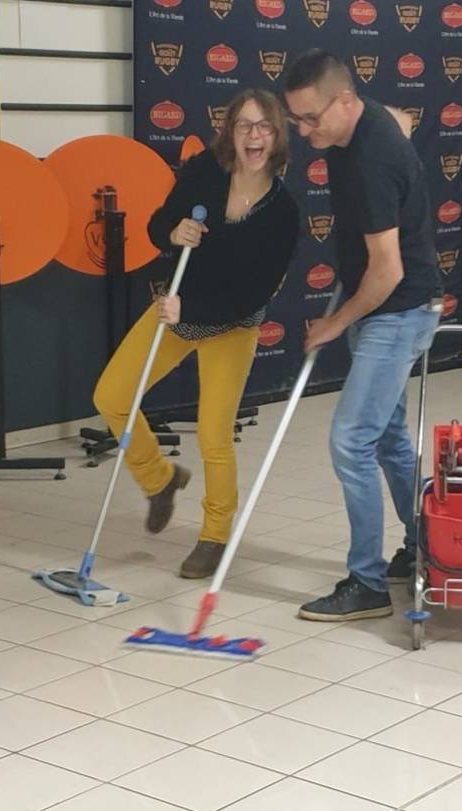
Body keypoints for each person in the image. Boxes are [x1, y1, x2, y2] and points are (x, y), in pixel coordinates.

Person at [92, 88, 300, 578]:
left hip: (231, 324)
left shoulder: (283, 212)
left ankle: (214, 536)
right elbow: (158, 223)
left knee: (213, 435)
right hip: (176, 311)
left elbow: (255, 292)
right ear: (230, 131)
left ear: (277, 136)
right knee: (111, 397)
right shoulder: (205, 169)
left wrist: (193, 307)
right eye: (244, 125)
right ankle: (160, 480)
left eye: (264, 126)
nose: (253, 136)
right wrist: (173, 232)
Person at [283, 50, 443, 621]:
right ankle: (426, 544)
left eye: (311, 118)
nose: (304, 132)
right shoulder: (365, 123)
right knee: (389, 438)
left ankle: (367, 583)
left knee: (351, 441)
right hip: (392, 308)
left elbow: (387, 271)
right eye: (296, 120)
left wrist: (335, 322)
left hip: (396, 312)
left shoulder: (371, 160)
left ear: (346, 101)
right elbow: (400, 117)